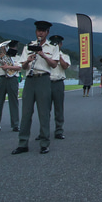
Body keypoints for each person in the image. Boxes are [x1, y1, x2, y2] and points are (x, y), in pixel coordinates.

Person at [12, 20, 60, 155]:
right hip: (30, 79)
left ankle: (44, 143)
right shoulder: (29, 46)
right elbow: (23, 66)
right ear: (36, 32)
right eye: (39, 31)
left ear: (47, 33)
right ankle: (22, 143)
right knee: (26, 113)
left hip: (43, 79)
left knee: (44, 113)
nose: (41, 33)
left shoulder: (52, 47)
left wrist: (43, 55)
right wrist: (28, 60)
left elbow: (54, 65)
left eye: (43, 31)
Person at [0, 40, 22, 133]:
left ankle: (15, 124)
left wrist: (8, 67)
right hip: (2, 78)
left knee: (13, 102)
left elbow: (19, 67)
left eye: (14, 47)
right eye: (11, 47)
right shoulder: (2, 56)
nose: (13, 48)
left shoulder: (18, 57)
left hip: (13, 79)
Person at [48, 35, 70, 140]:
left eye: (57, 43)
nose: (55, 45)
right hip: (46, 82)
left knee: (59, 108)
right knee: (44, 109)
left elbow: (65, 66)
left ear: (61, 44)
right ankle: (44, 131)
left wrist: (58, 55)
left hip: (58, 82)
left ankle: (59, 130)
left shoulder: (64, 56)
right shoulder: (47, 55)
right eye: (53, 43)